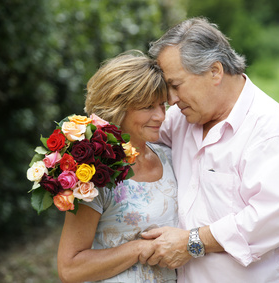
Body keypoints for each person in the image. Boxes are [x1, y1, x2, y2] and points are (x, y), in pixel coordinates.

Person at [139, 17, 279, 282]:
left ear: (215, 72)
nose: (171, 99)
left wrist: (192, 242)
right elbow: (135, 133)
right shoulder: (181, 120)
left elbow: (273, 218)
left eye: (176, 85)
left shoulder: (272, 130)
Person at [57, 51, 178, 283]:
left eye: (162, 105)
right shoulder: (95, 174)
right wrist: (139, 250)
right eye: (147, 107)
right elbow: (70, 269)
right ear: (117, 108)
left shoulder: (171, 157)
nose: (161, 116)